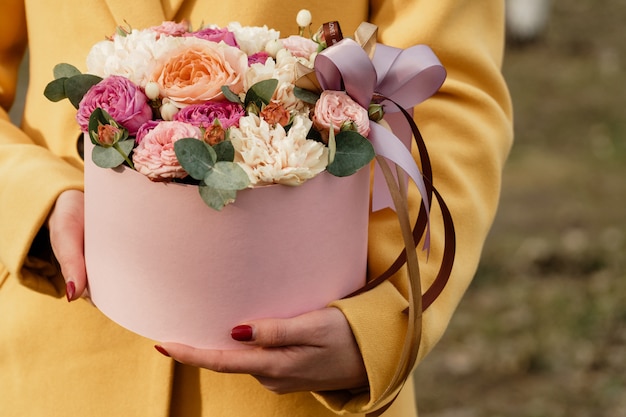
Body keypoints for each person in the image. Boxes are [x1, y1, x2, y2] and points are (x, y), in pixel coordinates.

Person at [0, 1, 513, 416]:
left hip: (297, 372)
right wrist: (33, 197)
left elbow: (446, 96)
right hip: (59, 356)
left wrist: (380, 317)